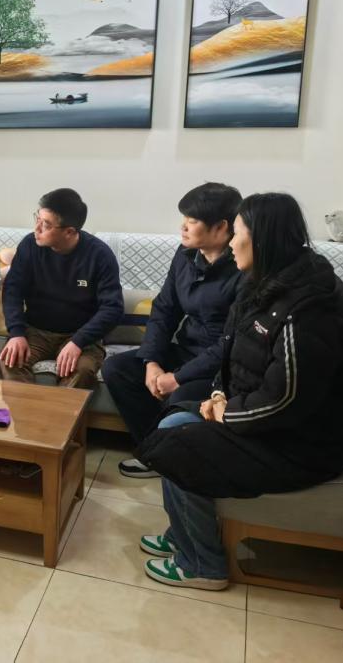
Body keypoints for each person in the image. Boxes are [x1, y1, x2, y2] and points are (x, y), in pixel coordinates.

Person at [134, 193, 343, 592]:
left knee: (179, 447)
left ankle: (203, 565)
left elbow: (285, 400)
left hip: (306, 444)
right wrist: (217, 397)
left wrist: (226, 413)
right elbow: (230, 352)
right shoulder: (261, 286)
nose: (231, 243)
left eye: (237, 233)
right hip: (268, 425)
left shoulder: (305, 311)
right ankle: (184, 534)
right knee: (174, 421)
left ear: (261, 239)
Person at [102, 182, 243, 477]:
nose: (183, 227)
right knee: (117, 368)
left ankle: (162, 457)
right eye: (184, 219)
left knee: (182, 397)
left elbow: (232, 342)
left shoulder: (243, 265)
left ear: (221, 227)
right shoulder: (185, 255)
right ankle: (154, 451)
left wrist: (178, 378)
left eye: (192, 220)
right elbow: (164, 309)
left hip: (221, 366)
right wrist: (152, 361)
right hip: (186, 350)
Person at [0, 188, 123, 388]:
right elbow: (12, 291)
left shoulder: (99, 255)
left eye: (46, 224)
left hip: (81, 334)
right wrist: (16, 333)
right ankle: (28, 409)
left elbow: (113, 308)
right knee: (10, 361)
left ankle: (62, 410)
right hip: (36, 331)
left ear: (69, 232)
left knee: (82, 371)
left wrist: (78, 341)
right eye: (37, 219)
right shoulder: (29, 246)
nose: (37, 228)